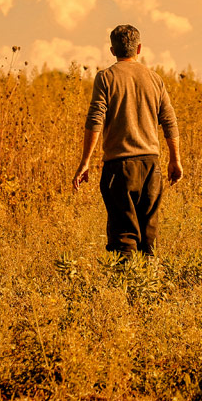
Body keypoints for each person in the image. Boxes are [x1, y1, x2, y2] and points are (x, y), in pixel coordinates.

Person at [72, 24, 182, 256]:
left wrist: (85, 162)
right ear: (139, 48)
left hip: (119, 168)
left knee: (124, 236)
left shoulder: (105, 78)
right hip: (152, 166)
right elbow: (170, 121)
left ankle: (125, 289)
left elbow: (95, 120)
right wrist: (175, 159)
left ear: (112, 50)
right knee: (148, 235)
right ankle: (148, 286)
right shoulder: (155, 79)